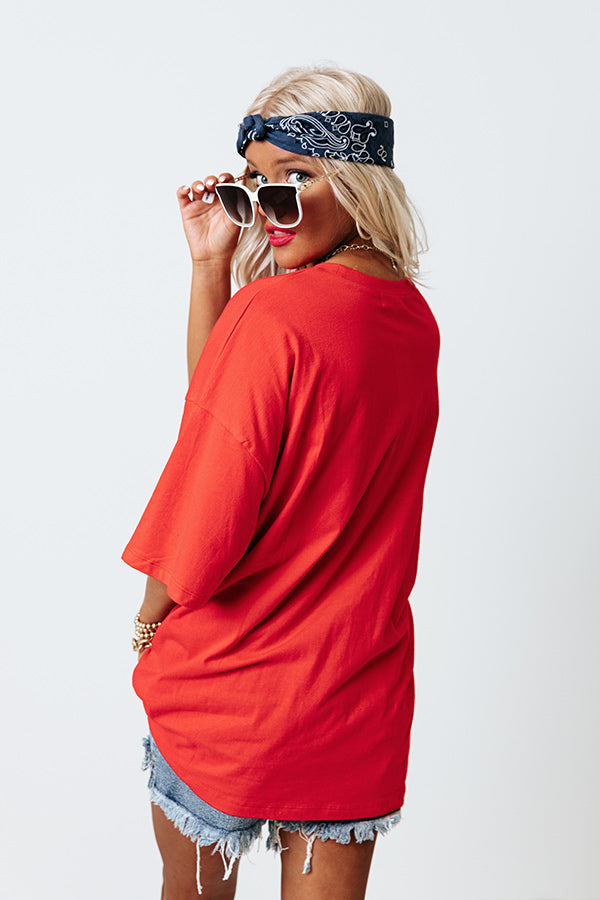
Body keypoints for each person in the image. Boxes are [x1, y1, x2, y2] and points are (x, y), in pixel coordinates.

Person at [123, 65, 440, 900]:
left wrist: (149, 621)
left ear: (358, 179)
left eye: (293, 183)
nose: (268, 212)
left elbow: (205, 490)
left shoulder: (273, 317)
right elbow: (229, 413)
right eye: (255, 186)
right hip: (352, 696)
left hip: (232, 693)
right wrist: (211, 267)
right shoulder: (413, 319)